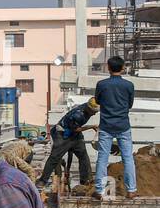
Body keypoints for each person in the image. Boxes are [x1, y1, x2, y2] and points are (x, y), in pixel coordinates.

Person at [93, 56, 137, 200]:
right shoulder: (129, 85)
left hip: (106, 125)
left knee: (102, 158)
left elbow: (98, 101)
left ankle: (99, 191)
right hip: (123, 125)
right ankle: (131, 190)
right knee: (128, 158)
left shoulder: (101, 84)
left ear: (108, 67)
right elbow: (129, 104)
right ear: (123, 68)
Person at [37, 98, 98, 190]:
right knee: (55, 157)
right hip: (63, 134)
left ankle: (85, 180)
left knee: (83, 156)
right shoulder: (78, 114)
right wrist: (91, 127)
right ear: (89, 109)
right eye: (93, 111)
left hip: (74, 133)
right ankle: (42, 180)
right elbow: (76, 129)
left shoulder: (88, 108)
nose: (95, 113)